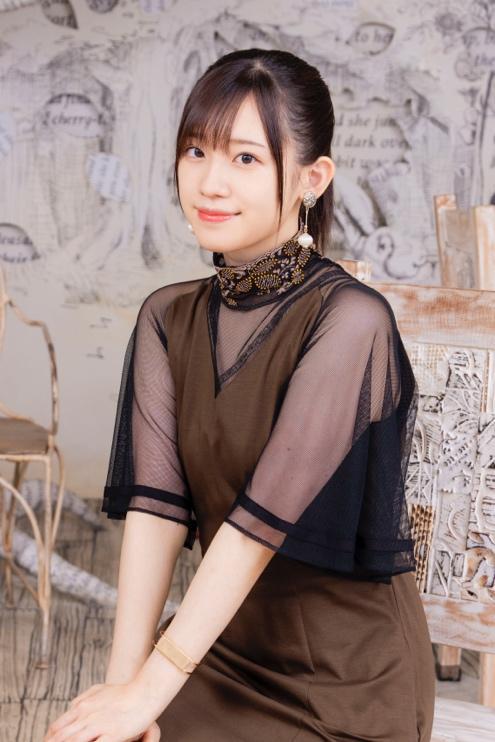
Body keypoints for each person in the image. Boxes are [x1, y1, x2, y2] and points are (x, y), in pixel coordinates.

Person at [44, 48, 436, 742]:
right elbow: (157, 514)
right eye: (196, 151)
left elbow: (257, 531)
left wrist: (150, 690)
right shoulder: (167, 317)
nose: (210, 181)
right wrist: (123, 691)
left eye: (246, 158)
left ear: (311, 179)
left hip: (342, 684)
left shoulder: (351, 322)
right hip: (218, 653)